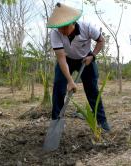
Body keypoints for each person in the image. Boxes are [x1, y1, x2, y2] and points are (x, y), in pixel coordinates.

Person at [47, 3, 110, 131]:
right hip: (67, 60)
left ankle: (102, 121)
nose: (62, 31)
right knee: (59, 87)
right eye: (59, 28)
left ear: (73, 23)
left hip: (86, 59)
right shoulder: (55, 33)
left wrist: (92, 55)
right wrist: (70, 81)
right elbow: (61, 58)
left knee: (92, 90)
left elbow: (101, 41)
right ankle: (56, 122)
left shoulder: (87, 27)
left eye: (65, 28)